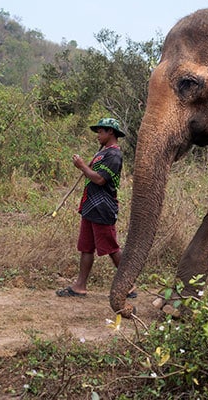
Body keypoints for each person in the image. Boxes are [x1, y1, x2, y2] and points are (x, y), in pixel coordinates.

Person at [56, 117, 135, 298]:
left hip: (103, 208)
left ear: (111, 132)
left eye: (101, 131)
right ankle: (80, 286)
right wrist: (84, 166)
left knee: (111, 247)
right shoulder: (103, 152)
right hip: (90, 207)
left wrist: (82, 166)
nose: (98, 135)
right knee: (86, 247)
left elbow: (100, 179)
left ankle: (129, 285)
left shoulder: (114, 155)